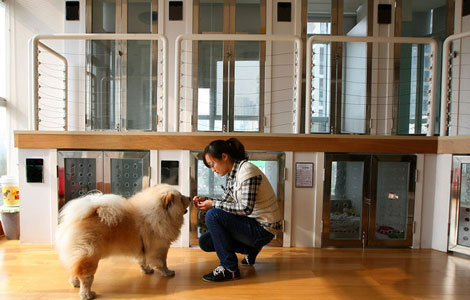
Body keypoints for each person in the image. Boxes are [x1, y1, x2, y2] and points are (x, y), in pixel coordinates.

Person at [193, 138, 283, 282]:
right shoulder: (233, 175)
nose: (213, 169)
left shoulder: (247, 171)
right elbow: (224, 201)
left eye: (212, 164)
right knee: (205, 242)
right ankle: (250, 249)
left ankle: (229, 268)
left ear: (224, 156)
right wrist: (207, 199)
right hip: (252, 224)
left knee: (212, 215)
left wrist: (213, 204)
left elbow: (245, 208)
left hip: (263, 229)